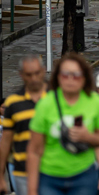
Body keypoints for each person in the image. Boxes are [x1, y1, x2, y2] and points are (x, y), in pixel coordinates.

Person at [27, 53, 99, 195]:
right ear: (58, 77)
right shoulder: (45, 104)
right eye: (65, 74)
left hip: (84, 176)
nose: (70, 79)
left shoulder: (94, 101)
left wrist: (88, 136)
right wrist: (32, 190)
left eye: (76, 75)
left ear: (84, 78)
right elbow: (34, 150)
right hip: (49, 178)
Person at [0, 56, 47, 195]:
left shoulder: (55, 97)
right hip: (22, 170)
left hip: (52, 170)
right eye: (28, 74)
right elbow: (6, 141)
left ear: (43, 71)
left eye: (37, 73)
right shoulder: (13, 103)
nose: (33, 78)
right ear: (21, 75)